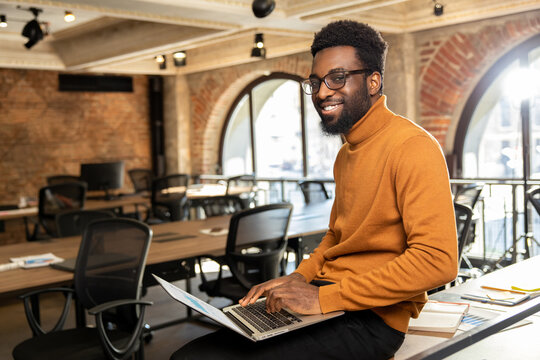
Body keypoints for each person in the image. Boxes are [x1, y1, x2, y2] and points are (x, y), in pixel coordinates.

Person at [171, 20, 458, 360]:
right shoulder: (346, 153)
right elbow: (337, 237)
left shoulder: (412, 146)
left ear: (373, 81)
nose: (322, 92)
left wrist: (322, 299)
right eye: (316, 82)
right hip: (329, 298)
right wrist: (297, 278)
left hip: (371, 321)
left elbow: (439, 262)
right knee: (190, 354)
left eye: (337, 78)